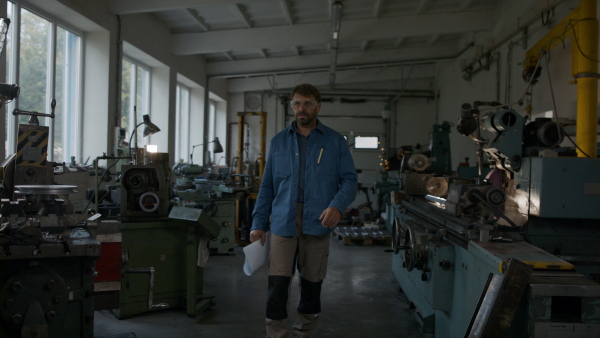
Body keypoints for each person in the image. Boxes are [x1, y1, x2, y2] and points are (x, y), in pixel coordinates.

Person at [250, 83, 358, 338]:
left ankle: (304, 333)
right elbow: (267, 186)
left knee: (312, 283)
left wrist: (337, 205)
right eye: (297, 103)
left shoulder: (334, 142)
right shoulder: (278, 142)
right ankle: (276, 334)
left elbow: (350, 180)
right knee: (277, 283)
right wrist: (258, 222)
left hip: (317, 220)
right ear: (292, 106)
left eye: (307, 103)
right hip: (282, 221)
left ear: (318, 107)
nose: (302, 108)